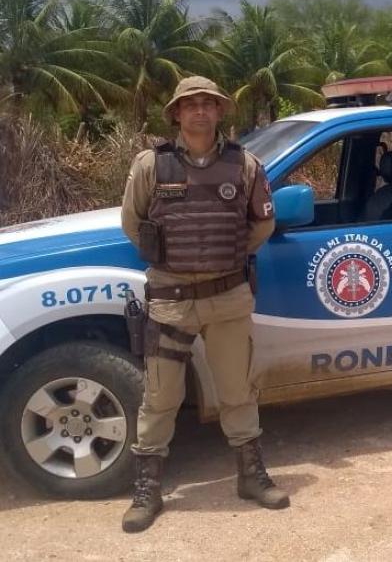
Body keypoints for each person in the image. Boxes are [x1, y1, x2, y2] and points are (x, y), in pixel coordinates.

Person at [119, 76, 288, 533]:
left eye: (207, 104)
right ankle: (147, 490)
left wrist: (223, 262)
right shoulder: (151, 165)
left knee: (237, 391)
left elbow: (262, 225)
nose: (199, 111)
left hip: (228, 298)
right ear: (176, 113)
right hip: (170, 301)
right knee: (160, 398)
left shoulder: (246, 165)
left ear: (219, 112)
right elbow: (133, 223)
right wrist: (176, 265)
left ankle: (251, 477)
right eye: (189, 105)